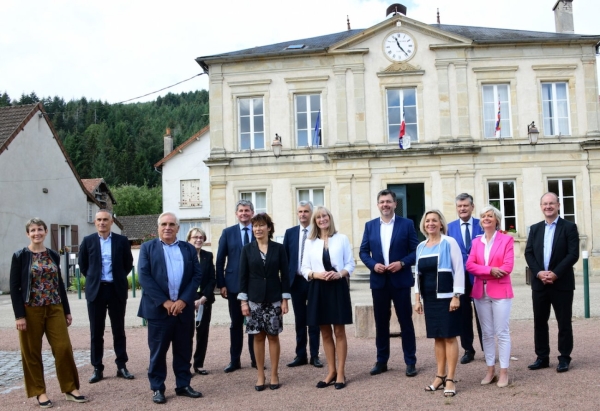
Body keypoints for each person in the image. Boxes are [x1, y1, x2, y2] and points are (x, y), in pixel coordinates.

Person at [10, 218, 88, 408]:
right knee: (32, 352)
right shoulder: (20, 256)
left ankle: (70, 388)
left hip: (55, 308)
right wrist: (19, 316)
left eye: (40, 229)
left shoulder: (53, 254)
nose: (37, 233)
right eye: (33, 230)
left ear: (45, 232)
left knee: (63, 348)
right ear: (28, 234)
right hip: (30, 310)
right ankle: (39, 392)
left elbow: (59, 284)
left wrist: (67, 311)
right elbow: (14, 287)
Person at [137, 212, 203, 404]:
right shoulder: (147, 248)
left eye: (171, 224)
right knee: (158, 352)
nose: (168, 227)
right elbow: (145, 278)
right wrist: (165, 302)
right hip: (159, 310)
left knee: (183, 350)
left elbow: (196, 276)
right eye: (164, 224)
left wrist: (183, 300)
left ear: (178, 228)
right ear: (158, 227)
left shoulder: (189, 249)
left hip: (183, 310)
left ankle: (183, 384)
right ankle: (157, 388)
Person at [359, 189, 419, 377]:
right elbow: (363, 252)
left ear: (395, 204)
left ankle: (410, 361)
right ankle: (381, 360)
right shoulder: (370, 226)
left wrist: (402, 263)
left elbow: (416, 251)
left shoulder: (407, 224)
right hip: (379, 281)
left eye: (388, 201)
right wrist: (372, 265)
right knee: (381, 323)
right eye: (382, 202)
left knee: (405, 322)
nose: (385, 205)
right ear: (378, 205)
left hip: (400, 280)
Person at [525, 192, 579, 373]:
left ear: (558, 205)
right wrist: (539, 273)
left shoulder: (569, 227)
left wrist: (555, 273)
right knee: (540, 321)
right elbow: (529, 253)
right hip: (540, 283)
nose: (548, 206)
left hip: (561, 283)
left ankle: (564, 357)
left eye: (551, 203)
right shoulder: (535, 229)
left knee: (564, 322)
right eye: (544, 204)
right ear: (541, 206)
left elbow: (573, 254)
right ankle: (542, 357)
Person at [301, 206, 355, 390]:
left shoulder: (342, 239)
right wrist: (316, 275)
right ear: (315, 221)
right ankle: (331, 371)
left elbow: (350, 264)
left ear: (330, 218)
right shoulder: (310, 242)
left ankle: (341, 372)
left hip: (337, 287)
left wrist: (340, 274)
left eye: (325, 216)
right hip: (318, 287)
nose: (322, 219)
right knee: (324, 332)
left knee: (339, 331)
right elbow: (304, 268)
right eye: (318, 217)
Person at [78, 209, 134, 384]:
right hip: (96, 291)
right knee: (96, 331)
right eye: (99, 220)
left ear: (111, 222)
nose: (102, 223)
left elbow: (128, 264)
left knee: (119, 329)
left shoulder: (122, 241)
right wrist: (95, 279)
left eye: (105, 220)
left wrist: (116, 278)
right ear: (95, 222)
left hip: (116, 289)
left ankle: (121, 366)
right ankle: (97, 367)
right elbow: (83, 265)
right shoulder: (88, 241)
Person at [414, 209, 464, 397]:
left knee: (449, 336)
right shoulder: (420, 246)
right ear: (424, 224)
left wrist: (456, 295)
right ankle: (440, 375)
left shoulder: (449, 242)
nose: (431, 224)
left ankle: (450, 378)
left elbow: (459, 270)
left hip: (447, 297)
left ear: (441, 223)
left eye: (435, 220)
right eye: (428, 221)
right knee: (437, 337)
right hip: (430, 299)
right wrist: (417, 299)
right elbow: (417, 275)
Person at [238, 213, 291, 390]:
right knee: (258, 337)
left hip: (275, 299)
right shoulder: (247, 249)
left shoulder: (279, 248)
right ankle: (260, 374)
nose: (258, 229)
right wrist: (243, 302)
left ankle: (274, 374)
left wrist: (285, 299)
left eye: (261, 225)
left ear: (269, 228)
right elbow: (242, 277)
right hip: (254, 300)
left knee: (273, 336)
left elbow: (285, 275)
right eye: (255, 226)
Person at [465, 205, 514, 388]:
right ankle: (490, 369)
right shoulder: (477, 242)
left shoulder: (506, 240)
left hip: (501, 291)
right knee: (486, 333)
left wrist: (483, 271)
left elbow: (507, 267)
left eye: (490, 216)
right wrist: (491, 270)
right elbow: (470, 265)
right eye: (484, 216)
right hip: (480, 292)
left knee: (501, 332)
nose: (486, 218)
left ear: (496, 220)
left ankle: (504, 371)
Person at [216, 199, 257, 372]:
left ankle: (256, 358)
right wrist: (221, 284)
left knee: (254, 323)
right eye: (241, 211)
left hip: (255, 285)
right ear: (236, 213)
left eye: (247, 210)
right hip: (232, 285)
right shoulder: (227, 232)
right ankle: (235, 360)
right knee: (236, 324)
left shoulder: (258, 230)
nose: (244, 213)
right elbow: (219, 260)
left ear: (252, 213)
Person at [283, 200, 322, 368]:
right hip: (296, 282)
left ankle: (315, 355)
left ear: (311, 213)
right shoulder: (290, 233)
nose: (303, 214)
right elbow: (284, 260)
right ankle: (300, 355)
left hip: (314, 281)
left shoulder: (319, 233)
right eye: (300, 211)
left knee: (314, 319)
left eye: (306, 211)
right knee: (300, 320)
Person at [447, 193, 483, 364]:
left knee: (483, 314)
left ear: (472, 207)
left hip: (479, 277)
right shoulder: (449, 228)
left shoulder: (482, 225)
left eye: (465, 206)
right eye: (459, 206)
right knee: (463, 315)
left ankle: (487, 348)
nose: (462, 209)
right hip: (459, 278)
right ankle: (468, 349)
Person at [186, 228, 216, 375]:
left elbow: (212, 279)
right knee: (186, 334)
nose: (198, 240)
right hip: (187, 300)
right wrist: (190, 299)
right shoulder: (183, 255)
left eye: (201, 237)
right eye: (195, 237)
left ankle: (199, 364)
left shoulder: (207, 256)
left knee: (202, 333)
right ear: (189, 239)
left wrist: (204, 298)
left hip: (204, 299)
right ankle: (185, 365)